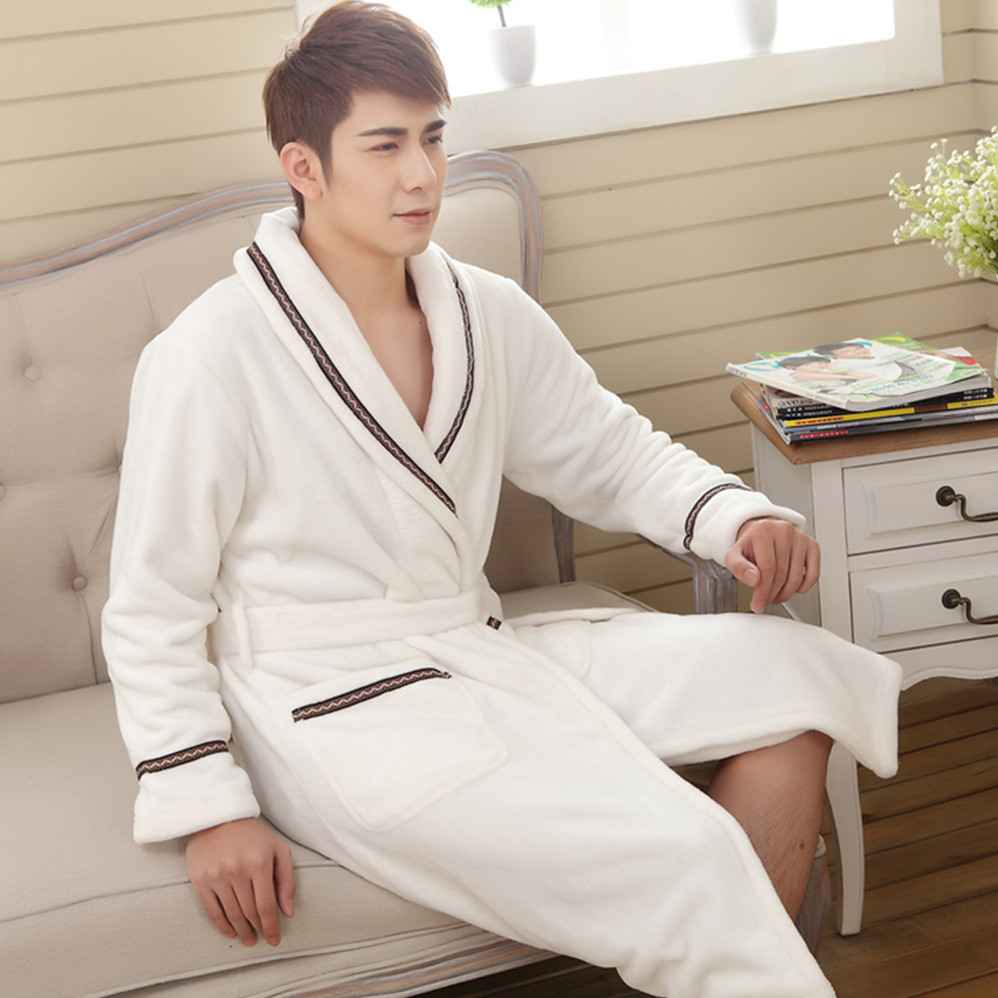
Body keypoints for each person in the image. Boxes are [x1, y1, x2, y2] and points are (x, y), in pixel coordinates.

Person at [102, 4, 902, 996]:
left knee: (794, 674)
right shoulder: (208, 353)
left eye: (433, 137)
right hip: (327, 703)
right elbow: (152, 604)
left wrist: (734, 515)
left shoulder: (484, 312)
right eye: (385, 145)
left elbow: (608, 450)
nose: (421, 174)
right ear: (304, 167)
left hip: (472, 644)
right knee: (686, 851)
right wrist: (207, 804)